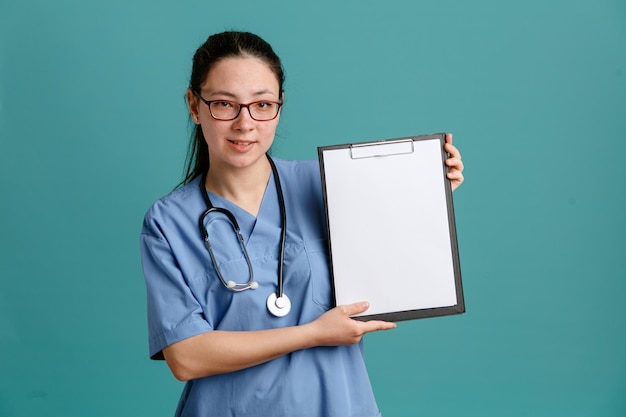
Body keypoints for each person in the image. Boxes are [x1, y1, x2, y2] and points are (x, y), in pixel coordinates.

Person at [140, 31, 465, 417]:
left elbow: (393, 252)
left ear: (279, 107)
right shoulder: (168, 222)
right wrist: (313, 333)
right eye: (225, 104)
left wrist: (428, 191)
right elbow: (186, 356)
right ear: (194, 106)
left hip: (337, 405)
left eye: (262, 104)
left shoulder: (330, 183)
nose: (245, 124)